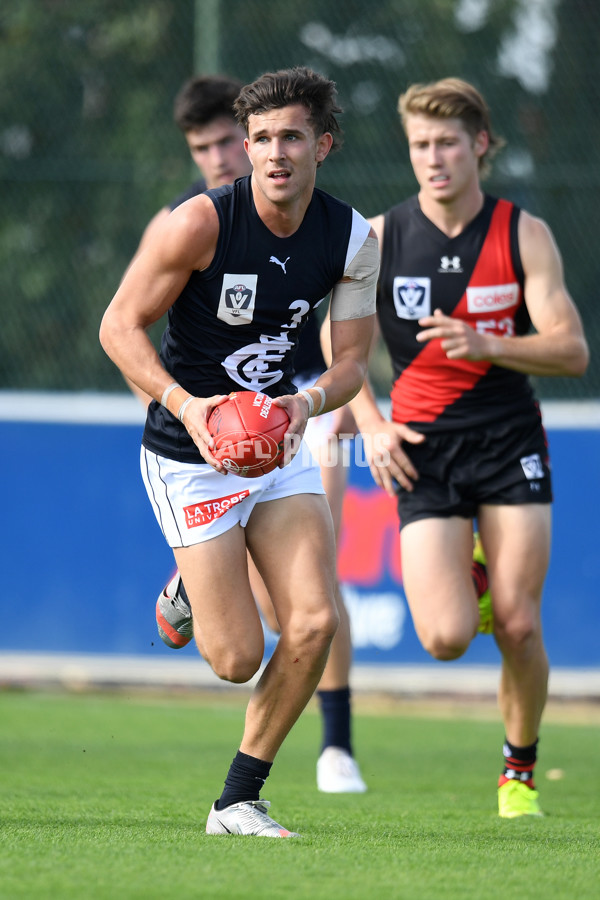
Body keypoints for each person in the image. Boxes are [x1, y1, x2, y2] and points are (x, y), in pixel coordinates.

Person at [100, 66, 378, 838]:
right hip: (189, 453)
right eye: (261, 139)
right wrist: (189, 408)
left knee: (316, 622)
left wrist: (304, 402)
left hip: (277, 440)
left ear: (322, 144)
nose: (274, 152)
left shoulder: (353, 239)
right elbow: (117, 327)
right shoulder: (197, 224)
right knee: (234, 658)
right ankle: (189, 593)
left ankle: (237, 801)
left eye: (291, 136)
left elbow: (352, 364)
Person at [348, 77, 589, 819]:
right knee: (447, 637)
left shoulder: (524, 233)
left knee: (518, 622)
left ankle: (518, 772)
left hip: (510, 441)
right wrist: (373, 425)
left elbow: (573, 350)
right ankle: (474, 577)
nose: (433, 158)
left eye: (447, 142)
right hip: (422, 450)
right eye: (420, 144)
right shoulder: (380, 239)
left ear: (480, 144)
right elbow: (343, 354)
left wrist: (490, 342)